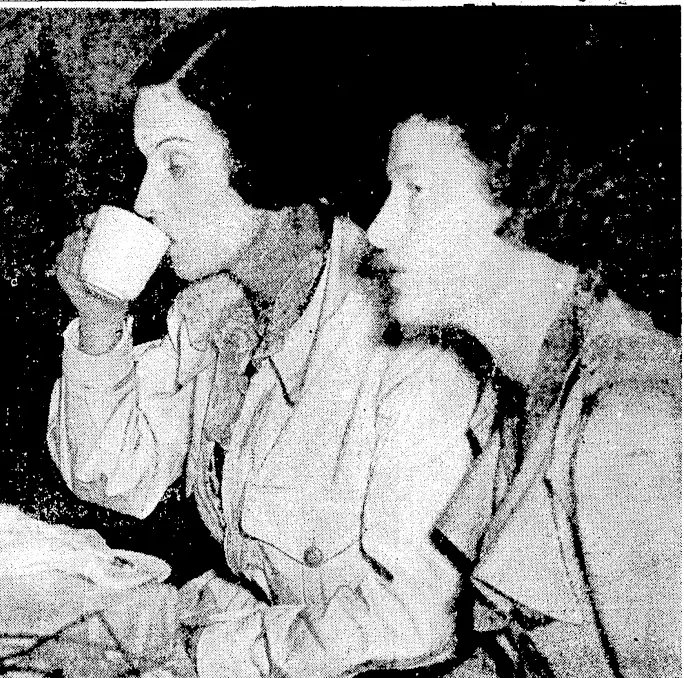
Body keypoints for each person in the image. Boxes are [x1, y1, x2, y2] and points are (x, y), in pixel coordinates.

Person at [48, 15, 485, 677]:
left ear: (268, 159)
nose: (145, 200)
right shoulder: (219, 311)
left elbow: (415, 621)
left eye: (175, 165)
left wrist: (208, 651)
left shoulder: (410, 348)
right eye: (146, 166)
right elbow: (114, 475)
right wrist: (103, 323)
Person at [367, 114, 681, 678]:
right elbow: (516, 658)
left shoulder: (627, 422)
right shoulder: (526, 386)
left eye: (415, 190)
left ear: (524, 200)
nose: (379, 230)